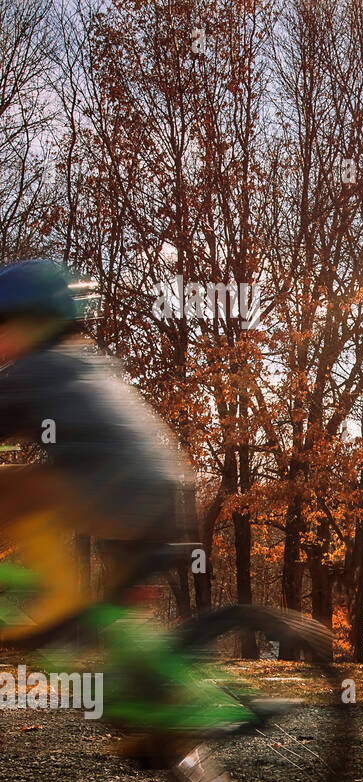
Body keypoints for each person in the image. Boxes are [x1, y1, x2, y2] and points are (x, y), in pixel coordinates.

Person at [0, 259, 246, 735]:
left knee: (10, 484)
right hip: (163, 492)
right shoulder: (85, 361)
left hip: (119, 488)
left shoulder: (38, 368)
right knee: (121, 618)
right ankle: (151, 715)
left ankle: (54, 604)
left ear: (30, 321)